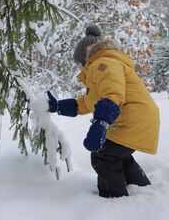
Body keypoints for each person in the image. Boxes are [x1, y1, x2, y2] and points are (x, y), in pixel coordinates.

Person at [47, 25, 160, 198]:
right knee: (117, 155)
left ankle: (114, 201)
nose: (80, 69)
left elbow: (112, 95)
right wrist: (59, 106)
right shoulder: (106, 64)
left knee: (102, 156)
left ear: (85, 58)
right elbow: (86, 103)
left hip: (133, 120)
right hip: (139, 119)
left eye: (79, 64)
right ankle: (141, 188)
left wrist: (101, 123)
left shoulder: (102, 64)